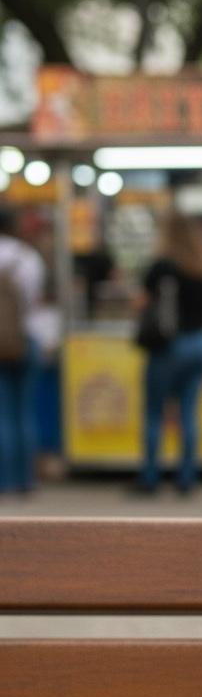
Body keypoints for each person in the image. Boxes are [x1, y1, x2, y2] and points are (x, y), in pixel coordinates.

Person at [135, 211, 202, 495]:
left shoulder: (161, 267)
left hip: (170, 344)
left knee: (154, 412)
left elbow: (142, 303)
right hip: (200, 343)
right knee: (188, 412)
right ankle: (186, 478)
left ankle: (150, 477)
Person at [0, 206, 46, 495]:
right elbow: (36, 302)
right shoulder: (28, 258)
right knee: (24, 411)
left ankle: (3, 481)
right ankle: (26, 480)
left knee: (2, 415)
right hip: (26, 338)